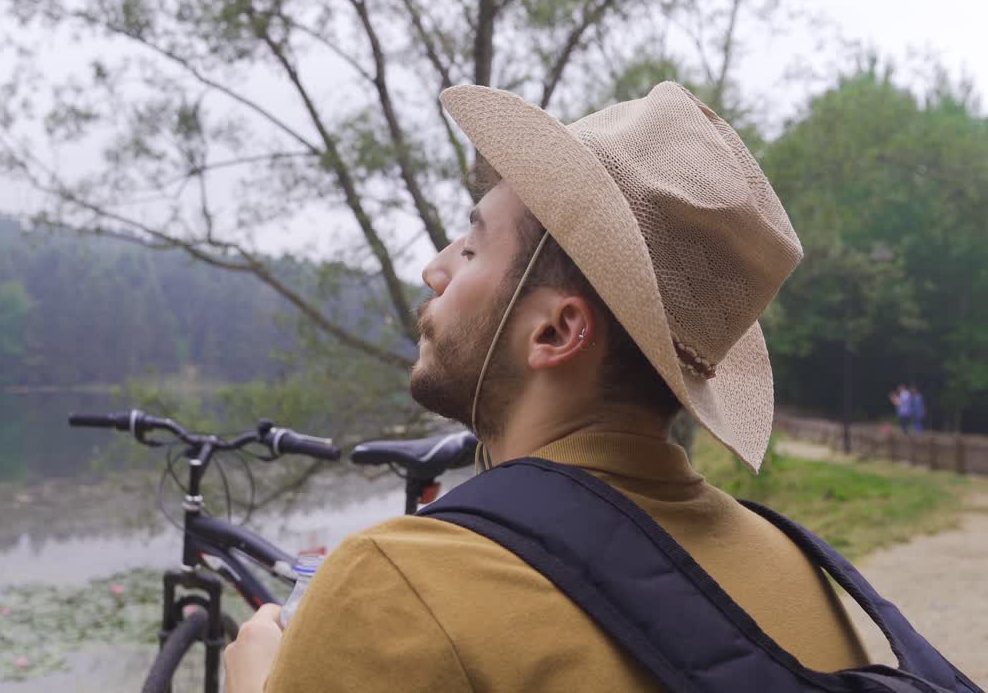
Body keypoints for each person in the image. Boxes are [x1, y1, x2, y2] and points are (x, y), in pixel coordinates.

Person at [224, 83, 869, 692]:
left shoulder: (396, 585)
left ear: (556, 332)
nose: (434, 270)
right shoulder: (802, 574)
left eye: (472, 249)